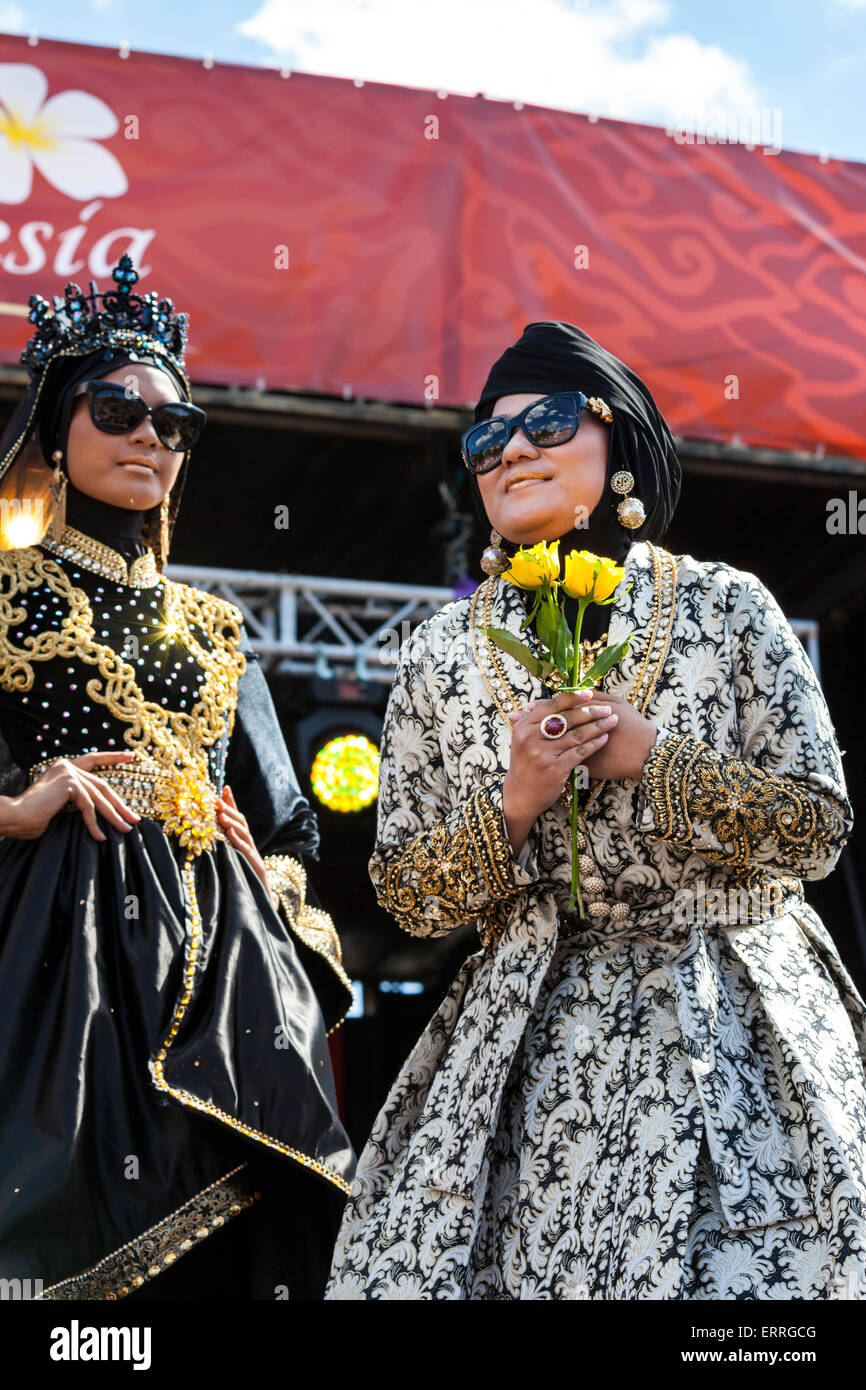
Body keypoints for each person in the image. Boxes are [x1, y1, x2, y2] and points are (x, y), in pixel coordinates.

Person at [326, 320, 866, 1300]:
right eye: (484, 441)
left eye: (546, 421)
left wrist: (652, 760)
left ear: (618, 439)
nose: (512, 449)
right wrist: (513, 805)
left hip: (731, 1008)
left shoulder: (726, 606)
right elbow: (406, 893)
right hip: (535, 1035)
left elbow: (815, 830)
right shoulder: (437, 651)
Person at [0, 254, 354, 1300]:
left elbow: (291, 821)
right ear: (57, 428)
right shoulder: (5, 590)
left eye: (177, 422)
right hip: (54, 955)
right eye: (119, 409)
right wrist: (20, 806)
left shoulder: (215, 625)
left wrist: (272, 884)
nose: (151, 436)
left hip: (228, 963)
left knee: (235, 1251)